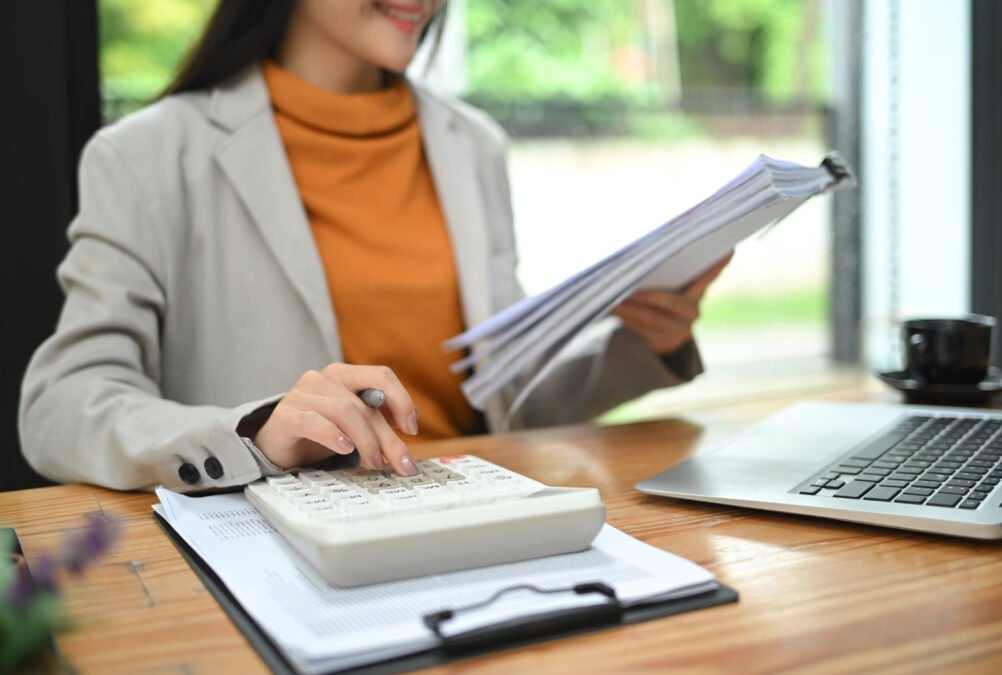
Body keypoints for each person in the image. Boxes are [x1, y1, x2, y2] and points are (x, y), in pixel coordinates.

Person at [19, 0, 731, 493]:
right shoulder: (145, 158)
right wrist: (253, 431)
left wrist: (644, 342)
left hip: (474, 510)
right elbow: (61, 405)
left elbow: (502, 402)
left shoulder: (473, 146)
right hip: (292, 551)